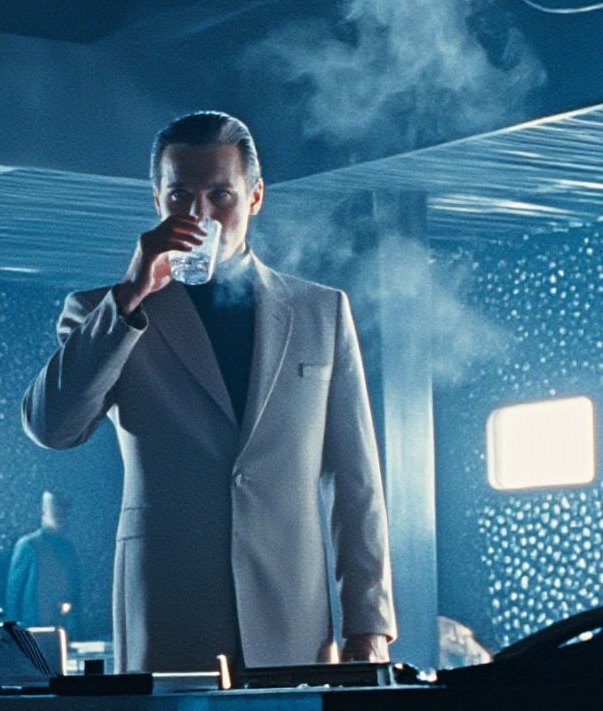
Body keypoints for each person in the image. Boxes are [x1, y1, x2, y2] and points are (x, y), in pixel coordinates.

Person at [20, 110, 394, 673]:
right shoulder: (103, 312)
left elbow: (355, 480)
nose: (200, 216)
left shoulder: (322, 312)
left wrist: (369, 624)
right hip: (169, 611)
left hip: (293, 617)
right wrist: (130, 296)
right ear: (157, 200)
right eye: (180, 197)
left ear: (255, 197)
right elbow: (52, 427)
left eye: (220, 195)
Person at [5, 491, 80, 630]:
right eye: (56, 512)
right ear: (43, 511)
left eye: (64, 512)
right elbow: (14, 595)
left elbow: (74, 592)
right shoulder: (28, 546)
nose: (61, 516)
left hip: (63, 628)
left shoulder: (68, 549)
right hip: (33, 629)